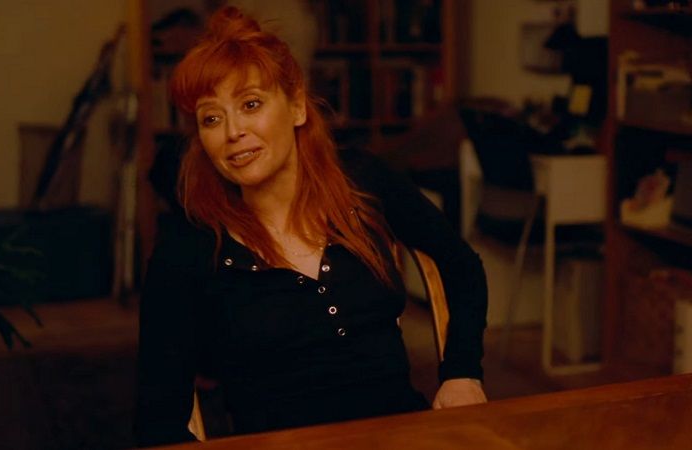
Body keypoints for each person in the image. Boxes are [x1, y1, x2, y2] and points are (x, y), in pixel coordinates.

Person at [134, 6, 488, 447]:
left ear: (297, 106)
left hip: (399, 436)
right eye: (212, 118)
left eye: (250, 104)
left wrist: (462, 373)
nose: (232, 132)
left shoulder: (362, 179)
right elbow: (158, 417)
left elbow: (461, 264)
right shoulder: (189, 243)